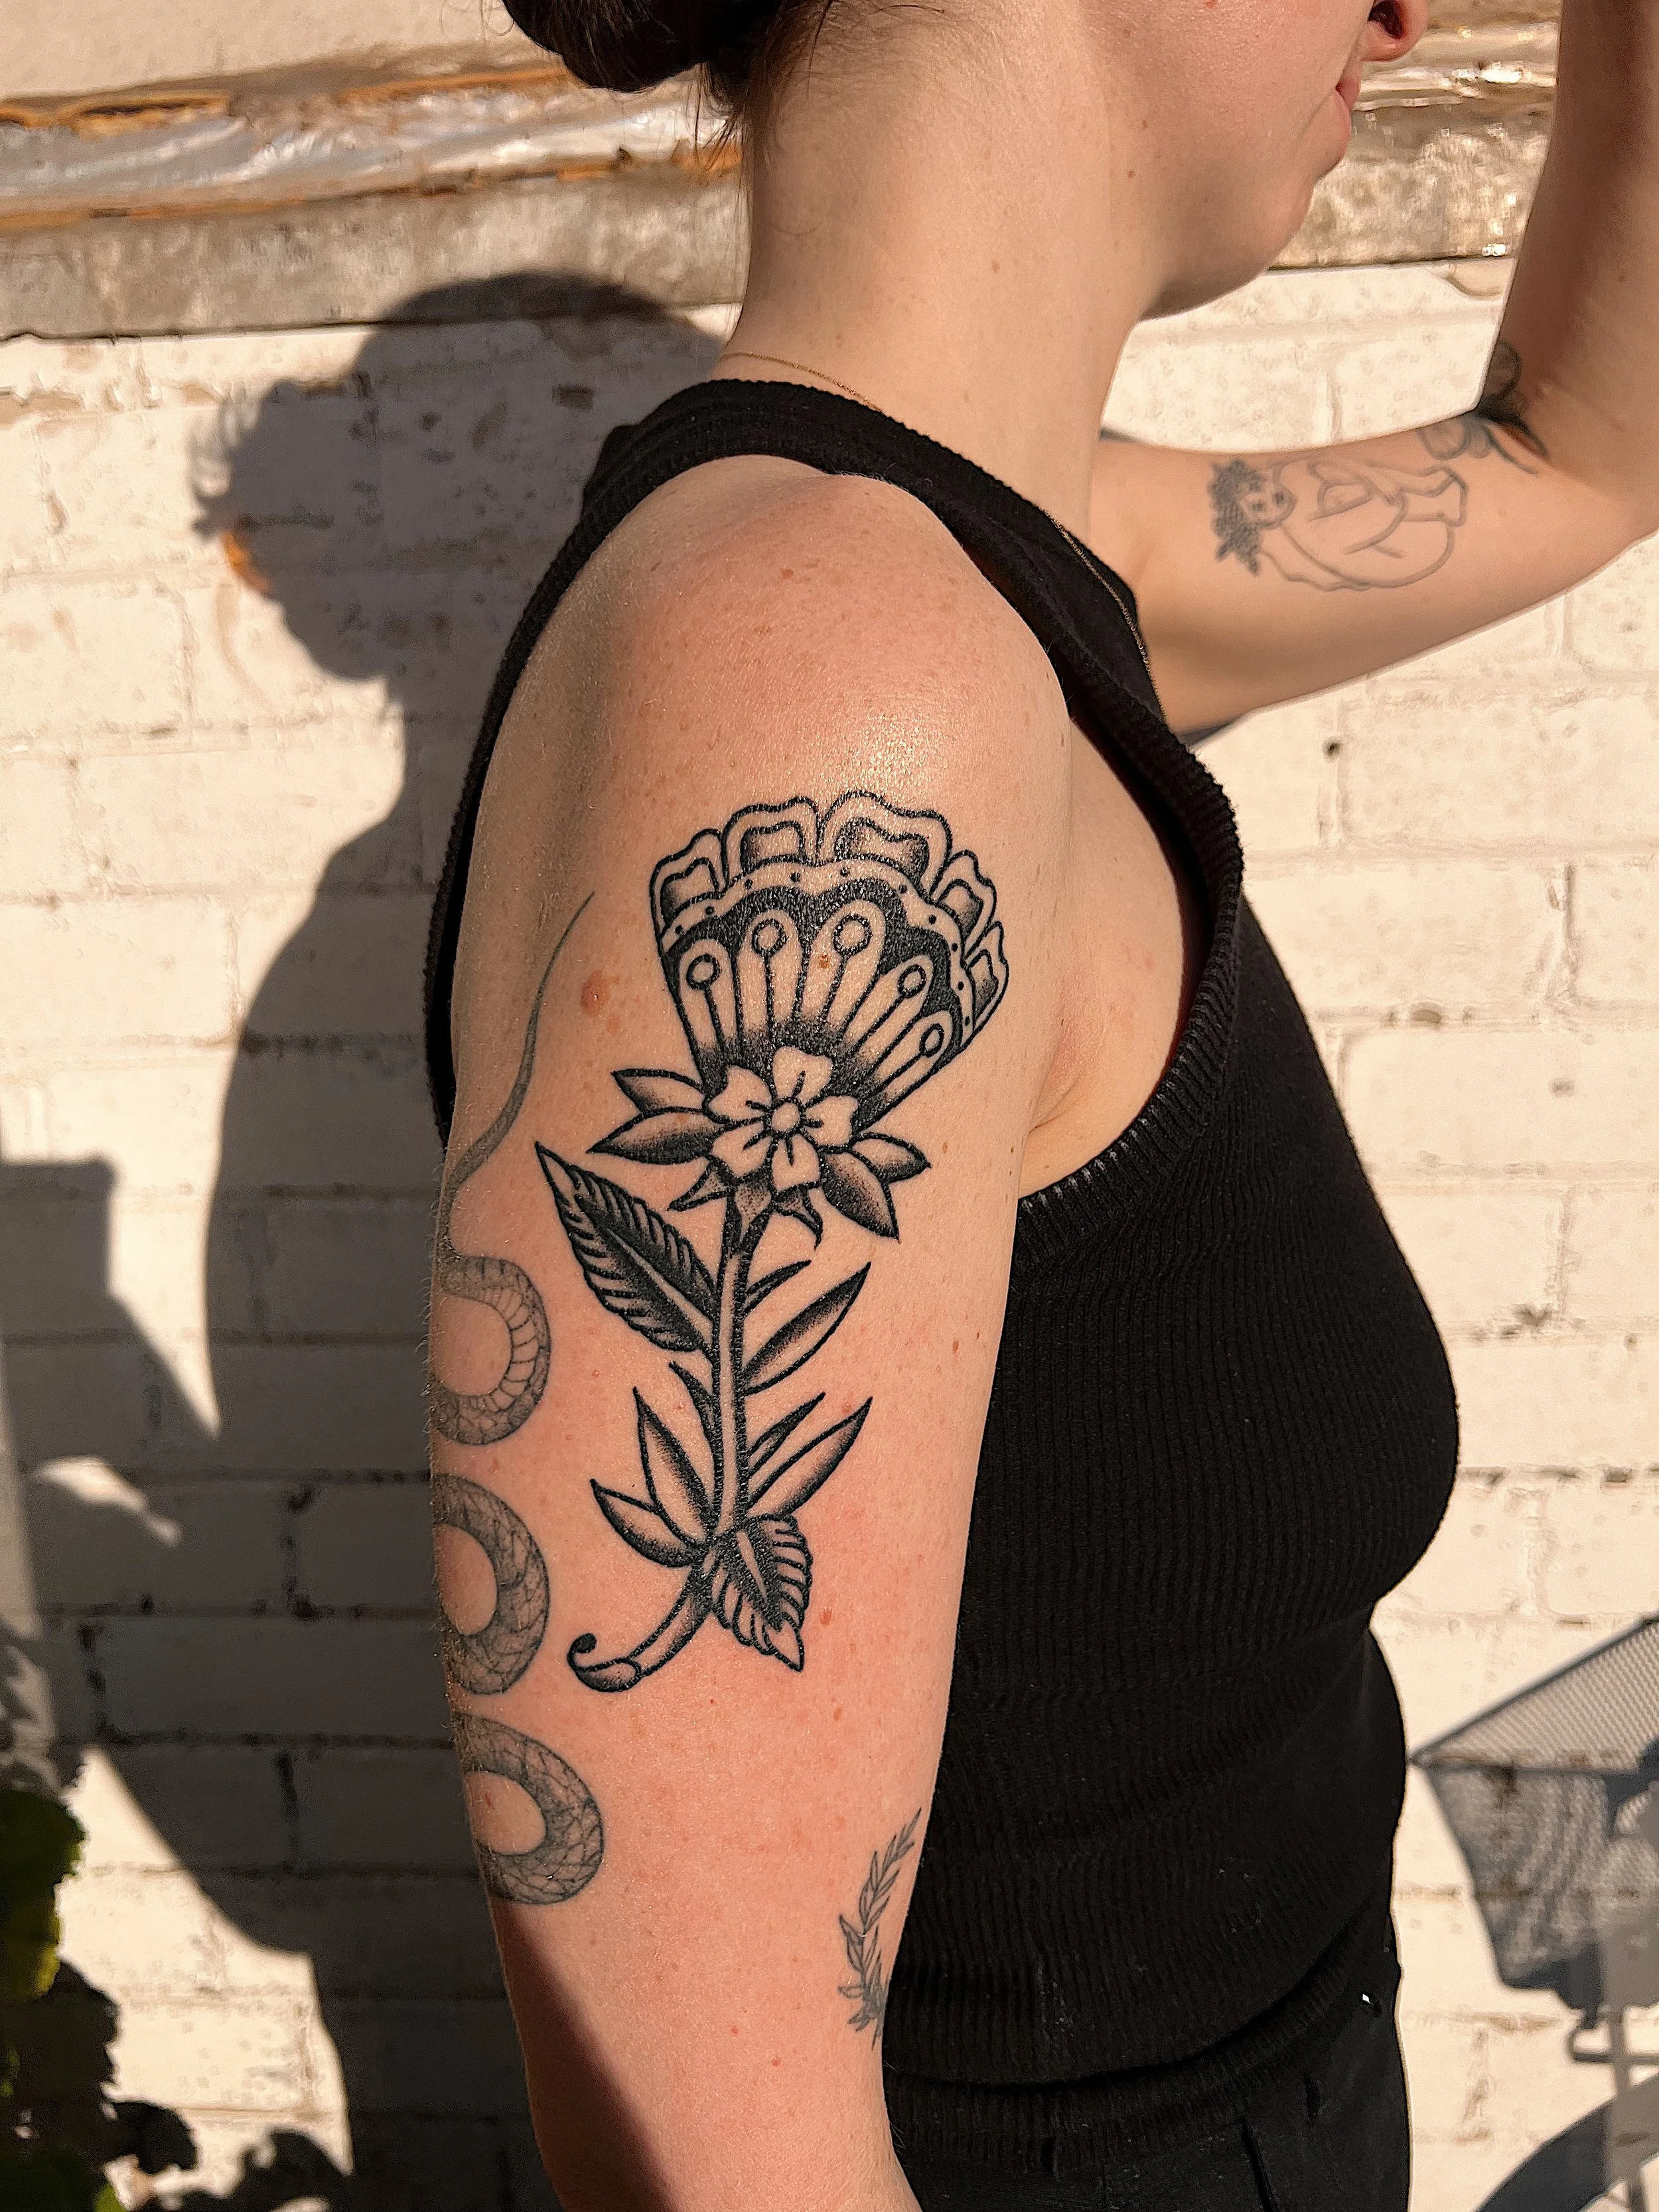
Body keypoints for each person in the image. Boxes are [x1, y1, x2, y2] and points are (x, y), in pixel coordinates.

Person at [420, 3, 1658, 2206]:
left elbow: (1584, 452)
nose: (1400, 7)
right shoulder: (818, 682)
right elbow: (722, 2159)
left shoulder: (983, 563)